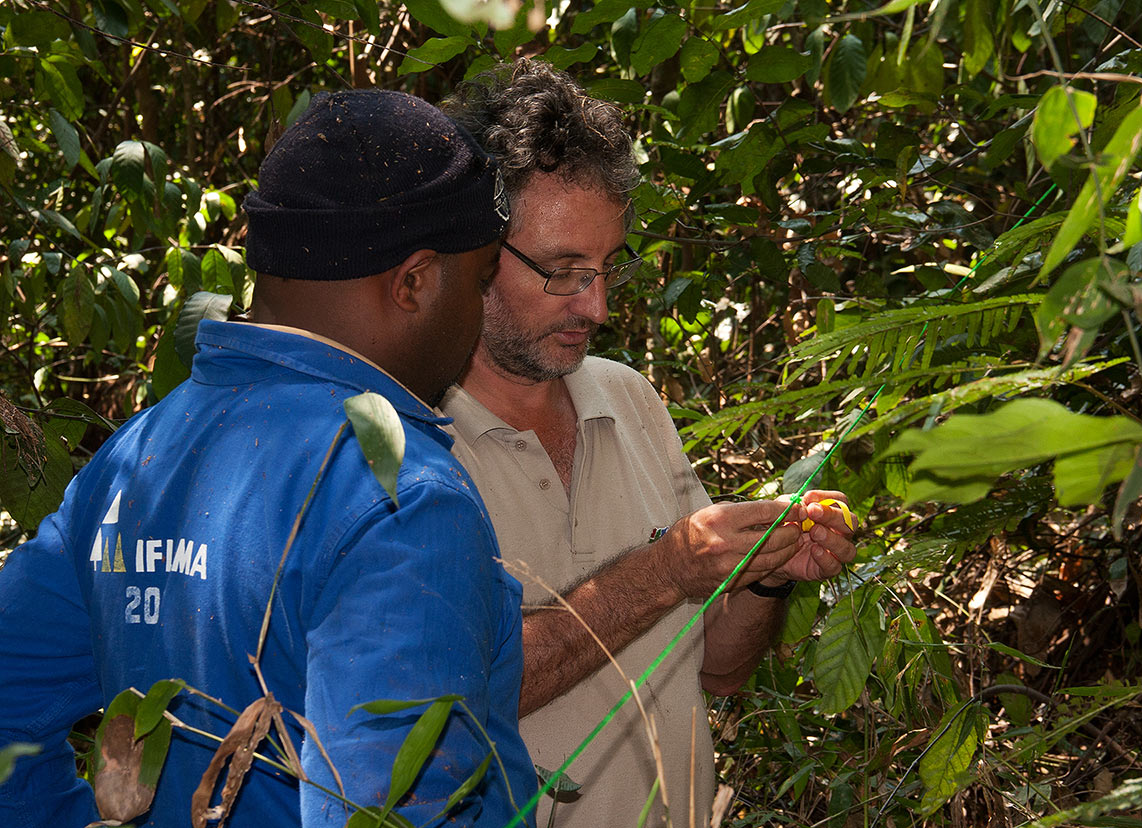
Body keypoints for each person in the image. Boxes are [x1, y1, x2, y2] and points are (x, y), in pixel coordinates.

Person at [0, 90, 536, 827]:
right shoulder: (398, 497)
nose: (478, 319)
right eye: (477, 283)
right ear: (413, 281)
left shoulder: (136, 456)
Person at [439, 60, 859, 826]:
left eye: (607, 268)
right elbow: (452, 697)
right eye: (564, 271)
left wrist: (763, 571)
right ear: (472, 253)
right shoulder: (408, 439)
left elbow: (719, 671)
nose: (595, 305)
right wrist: (665, 570)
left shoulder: (626, 397)